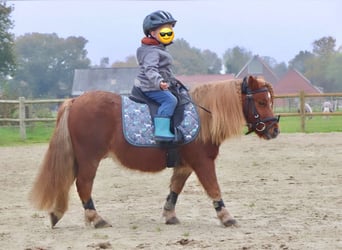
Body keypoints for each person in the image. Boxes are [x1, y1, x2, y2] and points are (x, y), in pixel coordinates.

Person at [134, 10, 178, 142]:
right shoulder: (151, 51)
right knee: (170, 100)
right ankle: (161, 131)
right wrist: (159, 82)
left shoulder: (158, 49)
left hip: (158, 84)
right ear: (153, 33)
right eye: (165, 30)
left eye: (170, 29)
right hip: (150, 86)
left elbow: (164, 70)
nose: (169, 33)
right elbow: (150, 70)